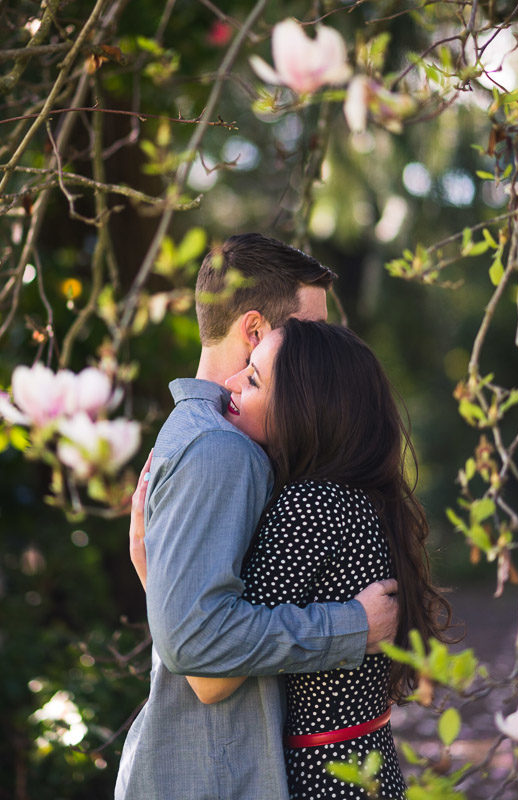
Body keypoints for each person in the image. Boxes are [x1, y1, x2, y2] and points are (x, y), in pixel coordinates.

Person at [115, 233, 399, 800]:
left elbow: (189, 627)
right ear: (255, 332)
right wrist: (353, 626)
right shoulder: (226, 450)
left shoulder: (212, 438)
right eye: (308, 330)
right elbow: (199, 652)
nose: (320, 349)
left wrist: (156, 583)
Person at [130, 320, 451, 800]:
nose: (232, 384)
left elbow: (210, 678)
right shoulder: (357, 496)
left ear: (303, 411)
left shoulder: (309, 507)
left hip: (324, 778)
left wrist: (148, 563)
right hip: (362, 768)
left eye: (254, 380)